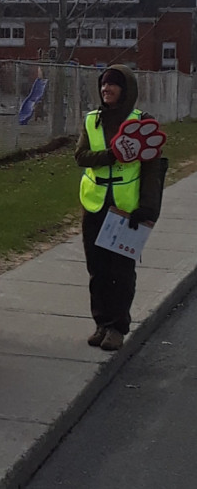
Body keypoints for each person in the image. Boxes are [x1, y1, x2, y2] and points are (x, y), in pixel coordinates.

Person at [75, 65, 163, 351]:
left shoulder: (142, 123)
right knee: (97, 269)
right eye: (103, 85)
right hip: (95, 205)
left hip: (127, 210)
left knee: (122, 272)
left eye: (113, 85)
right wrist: (111, 155)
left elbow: (152, 170)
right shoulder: (91, 120)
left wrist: (148, 209)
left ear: (126, 90)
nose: (106, 89)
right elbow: (81, 156)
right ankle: (101, 323)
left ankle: (117, 327)